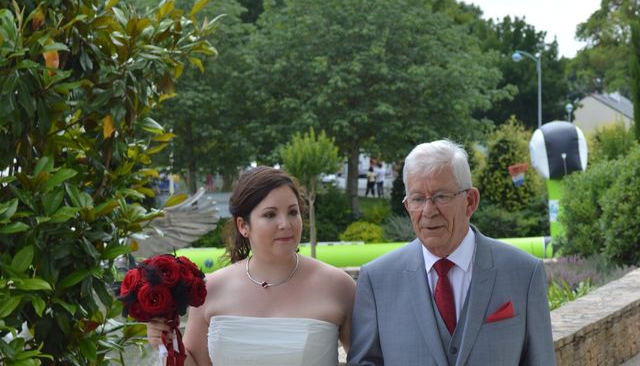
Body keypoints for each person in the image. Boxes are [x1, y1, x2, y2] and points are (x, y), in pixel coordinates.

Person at [348, 139, 555, 365]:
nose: (428, 211)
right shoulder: (377, 280)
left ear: (470, 201)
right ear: (407, 206)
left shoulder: (524, 273)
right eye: (418, 199)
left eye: (441, 196)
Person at [147, 166, 355, 365]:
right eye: (270, 214)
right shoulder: (209, 289)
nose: (286, 224)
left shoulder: (339, 286)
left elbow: (370, 360)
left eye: (293, 212)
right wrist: (166, 341)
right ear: (243, 226)